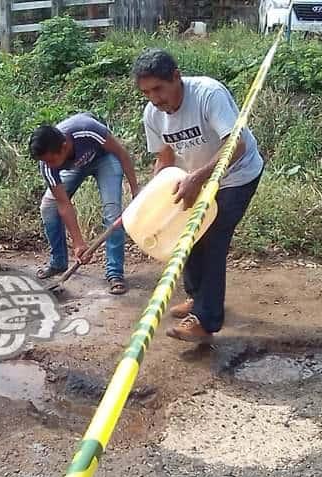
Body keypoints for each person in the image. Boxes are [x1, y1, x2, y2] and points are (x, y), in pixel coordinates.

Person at [132, 49, 264, 343]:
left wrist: (197, 178)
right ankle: (196, 297)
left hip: (237, 174)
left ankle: (206, 321)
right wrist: (152, 195)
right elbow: (165, 158)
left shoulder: (208, 94)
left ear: (176, 77)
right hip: (195, 178)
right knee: (184, 232)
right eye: (146, 92)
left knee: (211, 236)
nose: (154, 98)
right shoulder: (153, 114)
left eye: (158, 89)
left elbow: (237, 145)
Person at [28, 113, 139, 295]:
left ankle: (115, 273)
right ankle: (58, 262)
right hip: (75, 167)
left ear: (64, 147)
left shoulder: (87, 129)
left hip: (105, 159)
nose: (48, 165)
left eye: (51, 160)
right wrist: (79, 243)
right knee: (48, 207)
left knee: (113, 212)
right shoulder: (47, 165)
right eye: (45, 161)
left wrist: (135, 190)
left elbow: (121, 154)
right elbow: (63, 204)